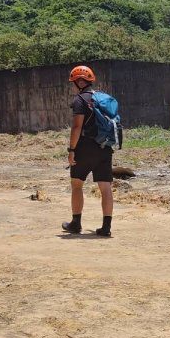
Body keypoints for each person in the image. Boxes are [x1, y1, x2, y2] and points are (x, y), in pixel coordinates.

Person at [61, 65, 114, 237]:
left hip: (84, 148)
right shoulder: (102, 98)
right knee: (105, 188)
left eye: (73, 83)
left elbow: (77, 127)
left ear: (80, 81)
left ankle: (76, 224)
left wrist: (71, 150)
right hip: (104, 147)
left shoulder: (80, 100)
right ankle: (106, 227)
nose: (72, 86)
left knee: (77, 184)